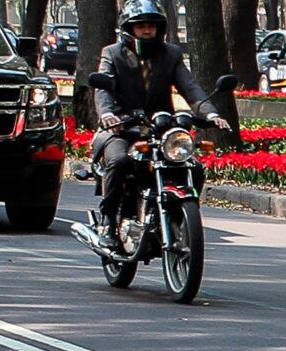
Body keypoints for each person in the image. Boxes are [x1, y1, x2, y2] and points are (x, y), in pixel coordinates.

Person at [87, 0, 231, 250]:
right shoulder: (112, 53)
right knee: (119, 161)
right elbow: (103, 89)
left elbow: (190, 87)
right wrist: (108, 114)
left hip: (161, 128)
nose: (147, 30)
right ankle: (108, 222)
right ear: (129, 29)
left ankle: (177, 216)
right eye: (141, 26)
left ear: (159, 29)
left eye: (151, 26)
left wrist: (210, 114)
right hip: (122, 127)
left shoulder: (171, 54)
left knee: (194, 167)